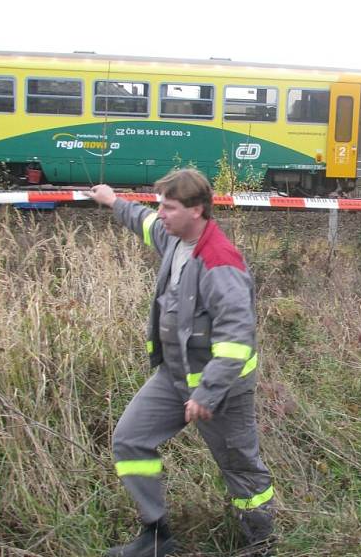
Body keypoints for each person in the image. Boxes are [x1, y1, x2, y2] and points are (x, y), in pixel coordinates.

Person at [87, 169, 275, 557]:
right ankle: (156, 534)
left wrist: (207, 392)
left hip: (220, 390)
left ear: (198, 210)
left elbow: (238, 338)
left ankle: (261, 542)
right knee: (130, 440)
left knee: (240, 467)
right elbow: (144, 221)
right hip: (173, 376)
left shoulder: (220, 260)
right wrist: (112, 201)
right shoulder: (173, 237)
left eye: (170, 207)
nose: (162, 214)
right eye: (162, 205)